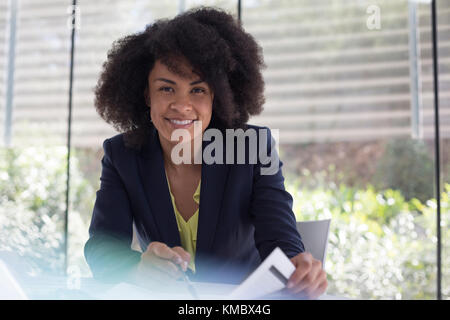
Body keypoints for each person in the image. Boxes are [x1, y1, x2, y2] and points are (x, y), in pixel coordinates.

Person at [84, 6, 327, 299]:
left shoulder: (252, 147)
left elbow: (278, 234)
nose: (182, 106)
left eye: (197, 90)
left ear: (218, 95)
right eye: (166, 89)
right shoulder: (122, 155)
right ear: (146, 94)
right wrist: (137, 268)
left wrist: (297, 264)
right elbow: (102, 247)